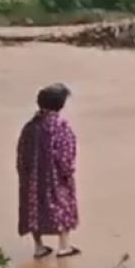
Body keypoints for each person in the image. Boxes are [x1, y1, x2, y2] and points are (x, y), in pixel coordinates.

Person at [17, 83, 81, 259]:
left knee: (33, 209)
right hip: (55, 177)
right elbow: (66, 153)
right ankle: (64, 246)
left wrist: (23, 174)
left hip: (32, 178)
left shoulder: (30, 126)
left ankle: (39, 247)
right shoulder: (60, 126)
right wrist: (68, 173)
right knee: (62, 205)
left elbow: (21, 152)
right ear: (61, 104)